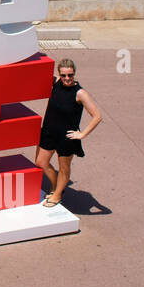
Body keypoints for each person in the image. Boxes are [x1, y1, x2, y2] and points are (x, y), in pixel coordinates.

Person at [36, 59, 102, 207]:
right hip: (48, 132)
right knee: (41, 162)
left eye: (70, 75)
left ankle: (57, 195)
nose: (67, 78)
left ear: (74, 74)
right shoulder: (56, 82)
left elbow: (97, 116)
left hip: (66, 137)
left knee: (64, 168)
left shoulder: (80, 93)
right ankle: (55, 186)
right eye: (64, 75)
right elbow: (38, 72)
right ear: (60, 74)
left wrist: (82, 134)